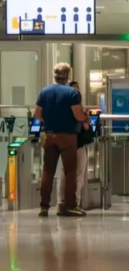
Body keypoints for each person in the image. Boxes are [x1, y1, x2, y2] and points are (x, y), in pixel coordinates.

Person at [34, 63, 88, 217]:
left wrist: (50, 121)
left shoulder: (44, 92)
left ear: (54, 75)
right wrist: (86, 118)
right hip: (68, 136)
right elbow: (78, 116)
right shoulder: (72, 93)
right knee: (70, 172)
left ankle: (44, 207)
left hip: (49, 136)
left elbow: (37, 114)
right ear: (68, 76)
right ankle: (71, 206)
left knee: (47, 171)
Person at [55, 81, 91, 208]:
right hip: (77, 145)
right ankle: (74, 202)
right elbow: (86, 128)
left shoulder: (61, 109)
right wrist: (85, 119)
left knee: (65, 174)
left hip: (66, 146)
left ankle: (62, 201)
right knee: (77, 175)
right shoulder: (78, 110)